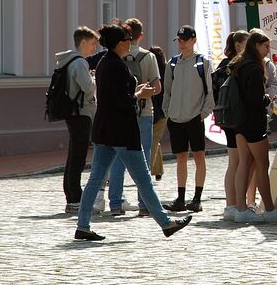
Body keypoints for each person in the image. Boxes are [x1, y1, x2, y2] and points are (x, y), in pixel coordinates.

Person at [74, 22, 192, 241]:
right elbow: (122, 101)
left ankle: (82, 225)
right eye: (127, 40)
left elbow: (112, 96)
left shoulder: (104, 63)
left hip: (105, 129)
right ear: (120, 44)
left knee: (95, 179)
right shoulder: (116, 66)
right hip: (121, 131)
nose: (130, 44)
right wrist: (139, 95)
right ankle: (166, 223)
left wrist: (135, 91)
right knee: (144, 179)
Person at [108, 18, 162, 217]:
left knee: (117, 158)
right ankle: (144, 205)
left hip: (119, 113)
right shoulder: (148, 57)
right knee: (143, 159)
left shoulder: (114, 56)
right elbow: (157, 88)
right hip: (144, 112)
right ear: (141, 35)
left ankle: (115, 203)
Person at [230, 29, 277, 224]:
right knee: (262, 164)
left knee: (244, 162)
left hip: (239, 121)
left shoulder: (239, 63)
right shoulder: (254, 67)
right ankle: (269, 209)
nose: (268, 50)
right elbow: (255, 99)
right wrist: (267, 98)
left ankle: (240, 208)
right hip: (253, 122)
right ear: (256, 46)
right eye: (266, 46)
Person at [162, 25, 215, 213]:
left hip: (195, 117)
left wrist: (205, 112)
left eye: (185, 40)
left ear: (193, 40)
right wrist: (167, 111)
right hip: (176, 117)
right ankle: (181, 197)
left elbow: (209, 90)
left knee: (199, 156)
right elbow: (167, 90)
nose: (181, 44)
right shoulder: (173, 63)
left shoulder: (203, 63)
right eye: (179, 40)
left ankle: (197, 199)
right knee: (181, 157)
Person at [55, 26, 99, 214]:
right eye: (92, 43)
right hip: (81, 113)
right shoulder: (80, 62)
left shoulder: (66, 60)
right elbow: (88, 88)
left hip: (72, 112)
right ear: (83, 42)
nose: (94, 48)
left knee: (73, 155)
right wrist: (95, 78)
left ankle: (72, 196)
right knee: (78, 158)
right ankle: (74, 199)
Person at [215, 30, 249, 221]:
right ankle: (235, 204)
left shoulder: (222, 64)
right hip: (237, 116)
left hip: (226, 115)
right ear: (238, 45)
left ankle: (230, 204)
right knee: (238, 161)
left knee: (233, 161)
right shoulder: (237, 64)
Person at [148, 45, 167, 181]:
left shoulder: (150, 71)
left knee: (152, 141)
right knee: (155, 140)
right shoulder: (167, 70)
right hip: (163, 110)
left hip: (151, 109)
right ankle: (158, 169)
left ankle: (148, 169)